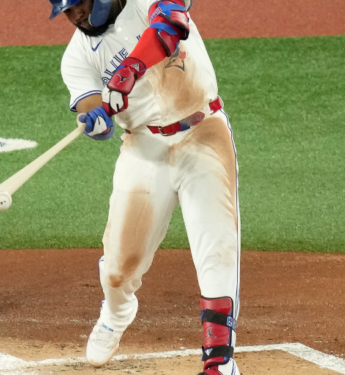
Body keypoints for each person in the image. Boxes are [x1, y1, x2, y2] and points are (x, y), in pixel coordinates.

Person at [49, 0, 240, 374]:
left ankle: (219, 362)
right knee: (119, 269)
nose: (73, 16)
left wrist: (128, 70)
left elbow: (170, 22)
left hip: (203, 135)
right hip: (143, 149)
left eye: (78, 4)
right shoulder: (75, 58)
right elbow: (91, 106)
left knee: (217, 250)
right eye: (66, 11)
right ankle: (116, 313)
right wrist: (97, 120)